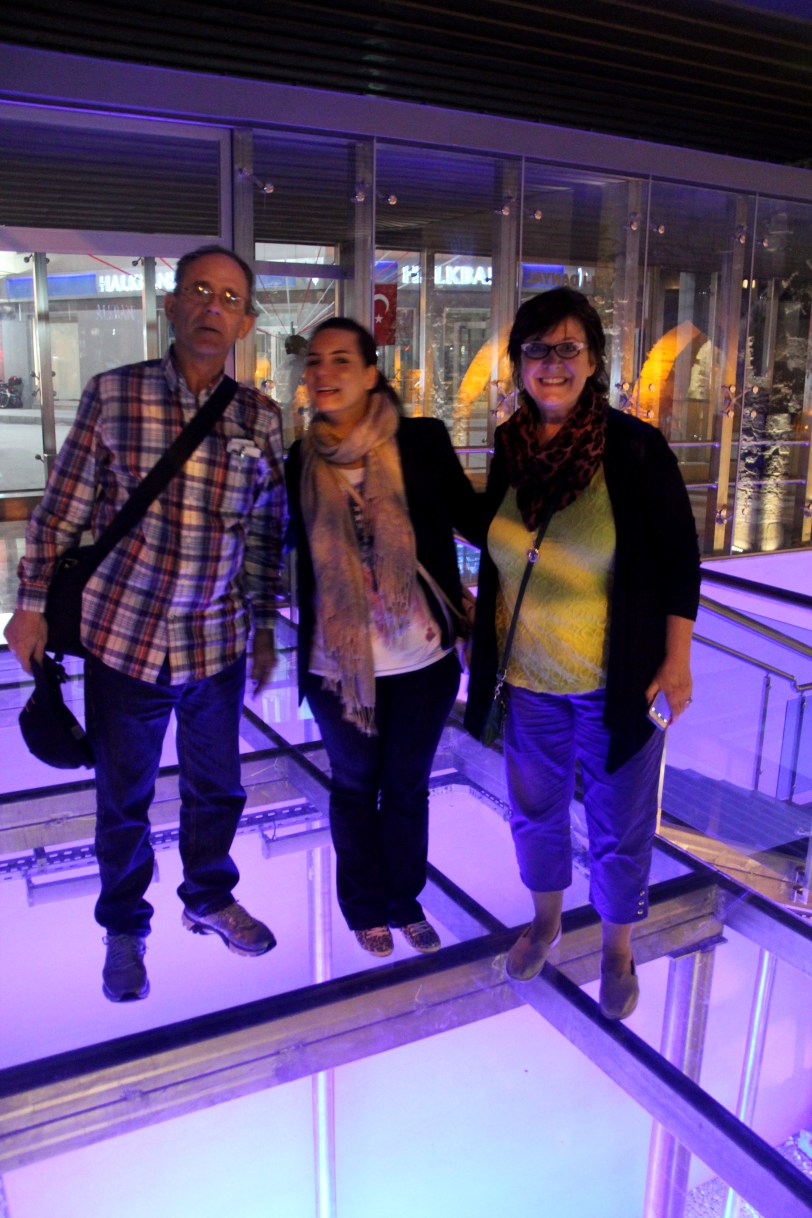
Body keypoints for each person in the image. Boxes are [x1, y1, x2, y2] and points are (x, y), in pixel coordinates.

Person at [4, 245, 287, 1003]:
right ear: (170, 303)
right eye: (199, 290)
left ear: (246, 321)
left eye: (229, 297)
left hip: (215, 644)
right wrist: (28, 606)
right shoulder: (113, 395)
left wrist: (262, 626)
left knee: (217, 787)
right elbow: (60, 511)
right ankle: (125, 926)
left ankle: (207, 898)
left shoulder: (261, 417)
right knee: (122, 798)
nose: (211, 307)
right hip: (123, 640)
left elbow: (263, 534)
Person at [465, 287, 700, 1020]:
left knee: (619, 820)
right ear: (519, 364)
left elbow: (678, 560)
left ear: (594, 360)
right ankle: (546, 920)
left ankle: (618, 944)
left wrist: (677, 660)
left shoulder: (633, 449)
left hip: (615, 683)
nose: (552, 364)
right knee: (533, 814)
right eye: (537, 350)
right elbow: (499, 541)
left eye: (568, 348)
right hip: (530, 680)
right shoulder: (510, 446)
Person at [285, 317, 481, 957]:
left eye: (342, 360)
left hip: (421, 661)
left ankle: (404, 899)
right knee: (353, 785)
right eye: (315, 361)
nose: (324, 373)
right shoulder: (300, 459)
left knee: (404, 787)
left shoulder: (421, 441)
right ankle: (364, 907)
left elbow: (472, 518)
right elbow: (280, 547)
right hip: (337, 668)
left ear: (372, 374)